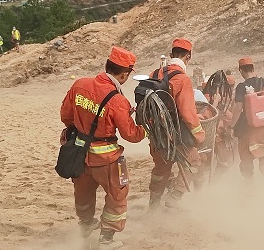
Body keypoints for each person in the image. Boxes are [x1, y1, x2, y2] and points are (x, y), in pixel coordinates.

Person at [60, 46, 146, 248]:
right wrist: (146, 128)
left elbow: (66, 116)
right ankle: (106, 239)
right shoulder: (118, 100)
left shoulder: (79, 85)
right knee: (117, 194)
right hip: (107, 160)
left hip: (79, 156)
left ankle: (86, 225)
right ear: (125, 74)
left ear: (107, 65)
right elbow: (131, 135)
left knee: (83, 194)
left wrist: (83, 126)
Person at [148, 38, 205, 208]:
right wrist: (199, 135)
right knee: (194, 161)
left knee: (161, 169)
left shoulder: (153, 75)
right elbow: (188, 113)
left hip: (157, 135)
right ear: (189, 56)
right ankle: (173, 199)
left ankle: (154, 203)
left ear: (171, 54)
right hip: (176, 136)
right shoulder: (182, 79)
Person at [229, 57, 264, 179]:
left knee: (246, 159)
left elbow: (238, 107)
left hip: (248, 129)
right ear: (253, 69)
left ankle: (249, 188)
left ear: (241, 71)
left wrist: (232, 127)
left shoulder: (241, 87)